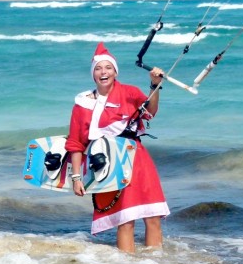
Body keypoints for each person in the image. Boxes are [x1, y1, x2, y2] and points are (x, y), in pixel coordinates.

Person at [65, 42, 169, 253]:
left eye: (108, 68)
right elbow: (76, 143)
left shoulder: (130, 92)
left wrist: (154, 86)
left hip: (136, 157)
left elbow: (150, 111)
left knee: (153, 216)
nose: (104, 72)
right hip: (106, 164)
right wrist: (76, 177)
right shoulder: (82, 104)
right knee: (125, 219)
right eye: (98, 68)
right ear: (93, 74)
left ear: (115, 71)